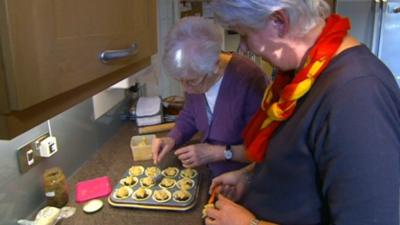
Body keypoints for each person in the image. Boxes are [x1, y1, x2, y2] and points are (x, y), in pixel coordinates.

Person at [205, 1, 400, 225]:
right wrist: (250, 177)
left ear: (279, 21)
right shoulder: (303, 72)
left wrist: (250, 224)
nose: (243, 47)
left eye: (245, 34)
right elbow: (301, 157)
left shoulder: (359, 94)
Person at [152, 16, 268, 177]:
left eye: (191, 81)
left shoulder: (250, 80)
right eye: (181, 81)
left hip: (240, 181)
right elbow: (191, 114)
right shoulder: (196, 73)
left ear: (215, 66)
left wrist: (218, 153)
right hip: (209, 175)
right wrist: (172, 138)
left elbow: (266, 148)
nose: (186, 89)